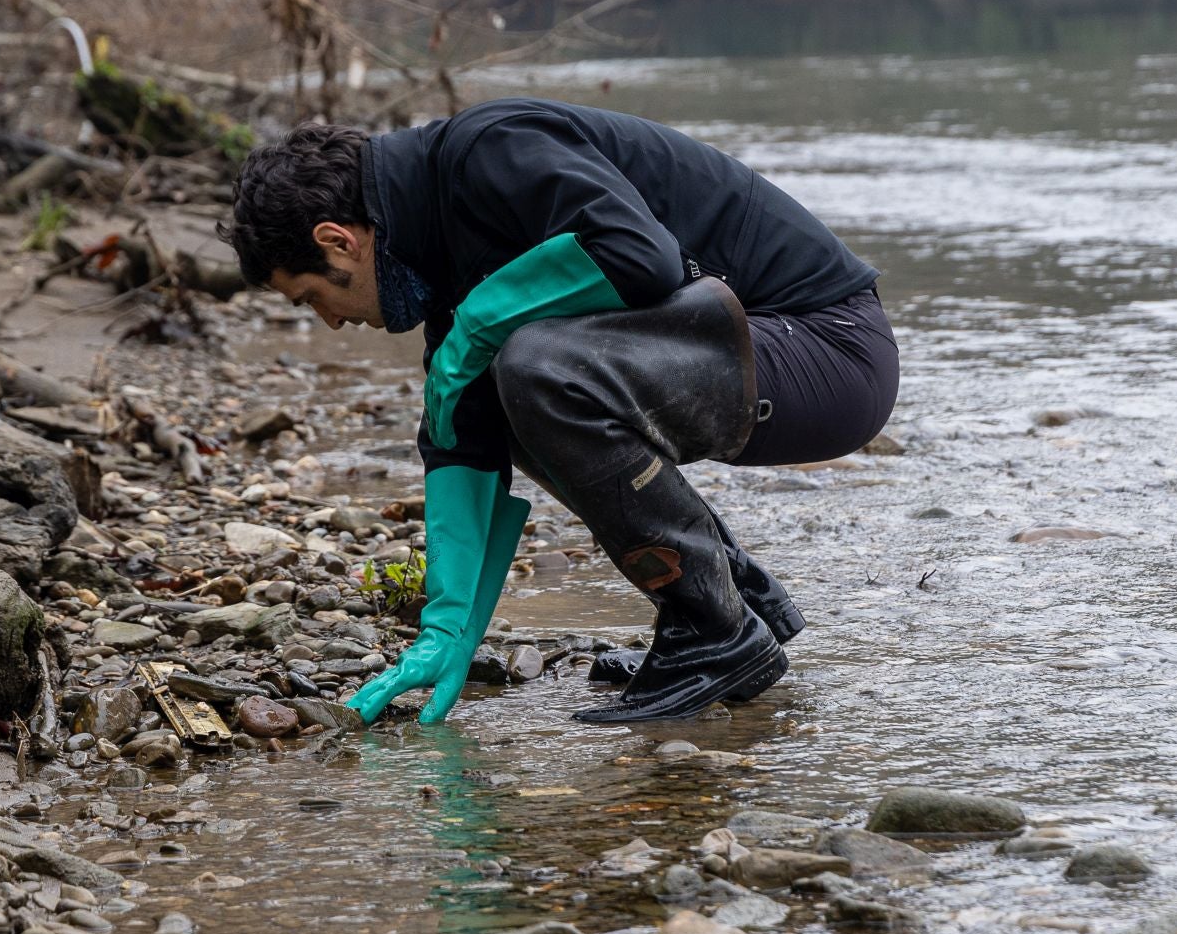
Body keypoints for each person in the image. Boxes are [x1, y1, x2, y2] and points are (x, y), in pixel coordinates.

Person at [221, 97, 897, 724]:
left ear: (338, 240)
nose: (329, 322)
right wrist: (445, 633)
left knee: (531, 364)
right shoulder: (435, 253)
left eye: (310, 297)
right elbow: (460, 439)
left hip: (827, 350)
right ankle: (736, 604)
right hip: (741, 351)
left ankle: (712, 630)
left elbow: (638, 255)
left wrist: (472, 333)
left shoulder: (491, 149)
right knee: (497, 377)